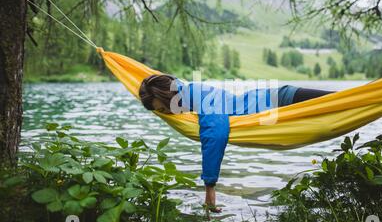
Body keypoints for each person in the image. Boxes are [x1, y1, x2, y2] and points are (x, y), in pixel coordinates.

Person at [139, 74, 334, 213]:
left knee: (349, 101)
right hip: (280, 102)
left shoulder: (198, 97)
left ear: (168, 96)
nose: (167, 114)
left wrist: (209, 187)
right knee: (347, 101)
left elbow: (215, 134)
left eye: (164, 109)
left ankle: (367, 96)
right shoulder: (189, 94)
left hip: (284, 101)